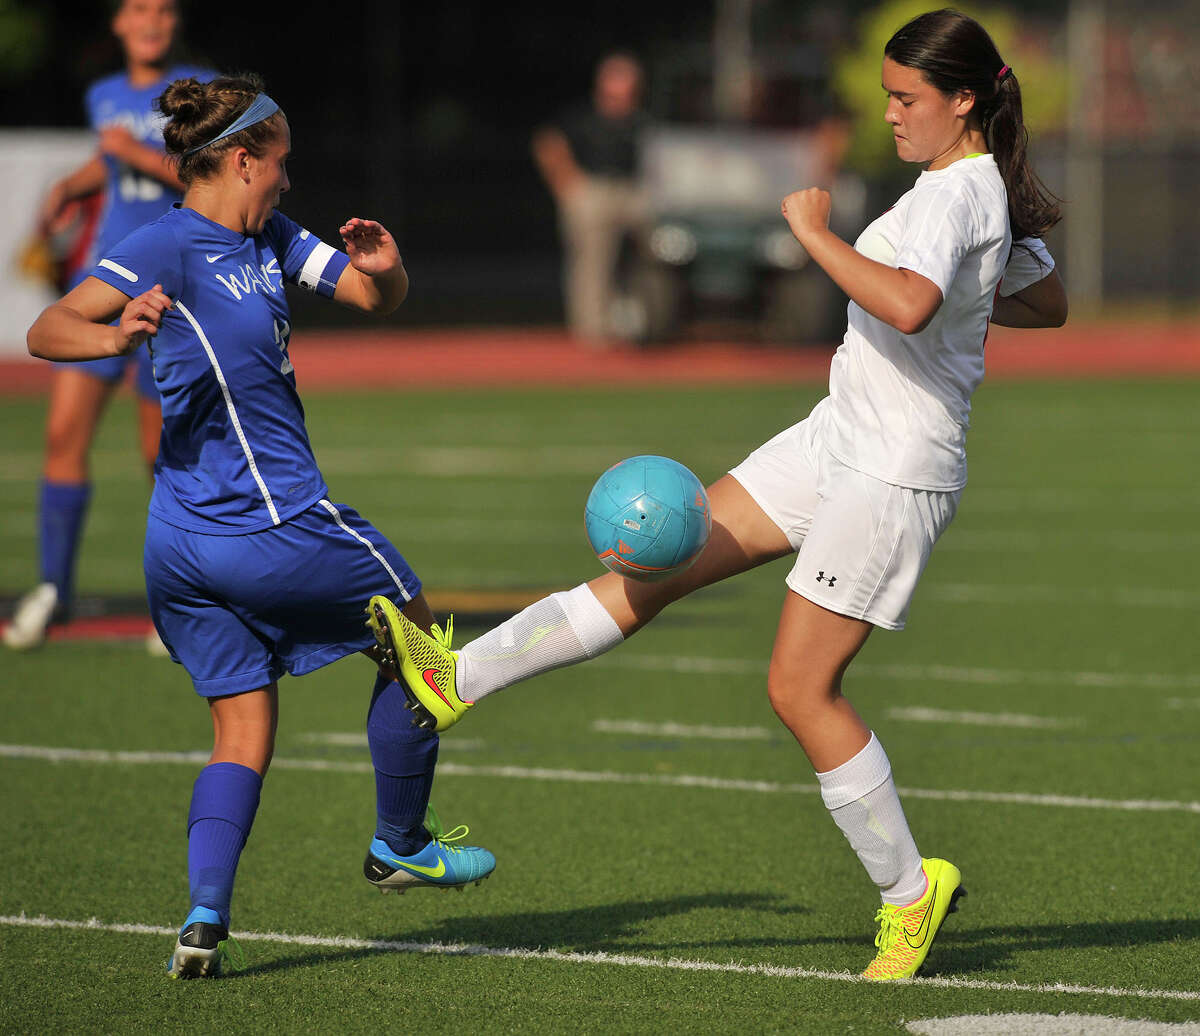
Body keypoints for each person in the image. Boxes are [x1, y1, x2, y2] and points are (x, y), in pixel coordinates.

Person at [367, 8, 1067, 982]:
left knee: (798, 687)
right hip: (837, 435)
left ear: (963, 100)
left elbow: (906, 301)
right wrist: (971, 289)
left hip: (892, 468)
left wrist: (813, 234)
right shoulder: (967, 189)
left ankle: (911, 894)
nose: (892, 113)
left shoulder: (959, 195)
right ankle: (452, 682)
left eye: (908, 100)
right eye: (889, 95)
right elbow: (1045, 296)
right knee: (657, 567)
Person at [26, 73, 496, 980]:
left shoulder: (270, 236)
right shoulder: (164, 245)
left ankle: (203, 918)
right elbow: (50, 329)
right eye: (280, 163)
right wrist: (118, 334)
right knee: (421, 641)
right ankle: (401, 841)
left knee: (242, 729)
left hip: (182, 548)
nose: (288, 180)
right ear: (244, 160)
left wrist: (383, 265)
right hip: (272, 525)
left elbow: (369, 301)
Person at [5, 0, 212, 652]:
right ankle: (53, 590)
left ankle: (175, 603)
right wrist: (77, 180)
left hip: (169, 285)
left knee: (160, 456)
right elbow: (113, 161)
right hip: (106, 279)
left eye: (162, 9)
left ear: (174, 22)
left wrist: (135, 153)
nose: (151, 19)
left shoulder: (198, 89)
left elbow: (203, 175)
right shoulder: (105, 93)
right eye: (138, 9)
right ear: (118, 23)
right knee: (64, 432)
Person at [532, 51, 651, 346]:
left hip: (635, 192)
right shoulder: (581, 117)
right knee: (592, 261)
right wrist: (567, 186)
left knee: (656, 253)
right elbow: (547, 144)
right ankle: (593, 332)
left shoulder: (642, 120)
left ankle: (646, 321)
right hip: (592, 191)